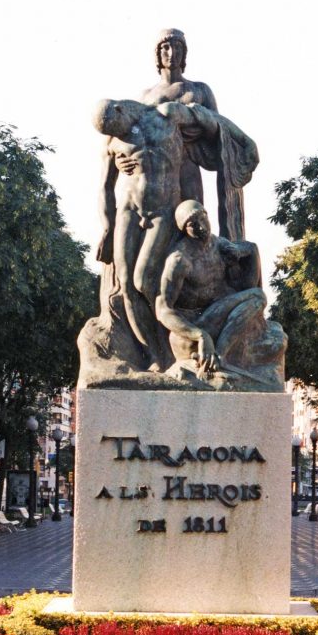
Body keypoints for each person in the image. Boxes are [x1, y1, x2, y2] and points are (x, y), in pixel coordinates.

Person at [93, 100, 254, 371]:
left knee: (144, 281)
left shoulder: (166, 115)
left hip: (163, 212)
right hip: (129, 211)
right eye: (109, 131)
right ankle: (156, 356)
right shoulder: (112, 142)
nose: (115, 134)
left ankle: (176, 342)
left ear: (120, 110)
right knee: (125, 283)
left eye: (115, 127)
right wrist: (107, 227)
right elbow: (104, 188)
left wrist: (245, 141)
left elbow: (212, 120)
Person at [141, 28, 258, 242]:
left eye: (177, 47)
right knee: (157, 233)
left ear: (184, 53)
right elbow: (135, 138)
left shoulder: (199, 90)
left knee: (193, 227)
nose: (171, 52)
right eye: (165, 47)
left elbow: (219, 129)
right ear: (157, 54)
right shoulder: (147, 97)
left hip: (188, 166)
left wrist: (199, 116)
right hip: (156, 173)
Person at [155, 200, 267, 378]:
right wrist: (199, 335)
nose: (200, 226)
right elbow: (162, 310)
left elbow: (246, 283)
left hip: (214, 320)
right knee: (257, 296)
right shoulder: (179, 259)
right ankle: (218, 356)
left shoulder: (219, 244)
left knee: (255, 290)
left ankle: (219, 356)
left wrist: (245, 252)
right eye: (192, 224)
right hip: (190, 333)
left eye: (202, 218)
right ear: (184, 230)